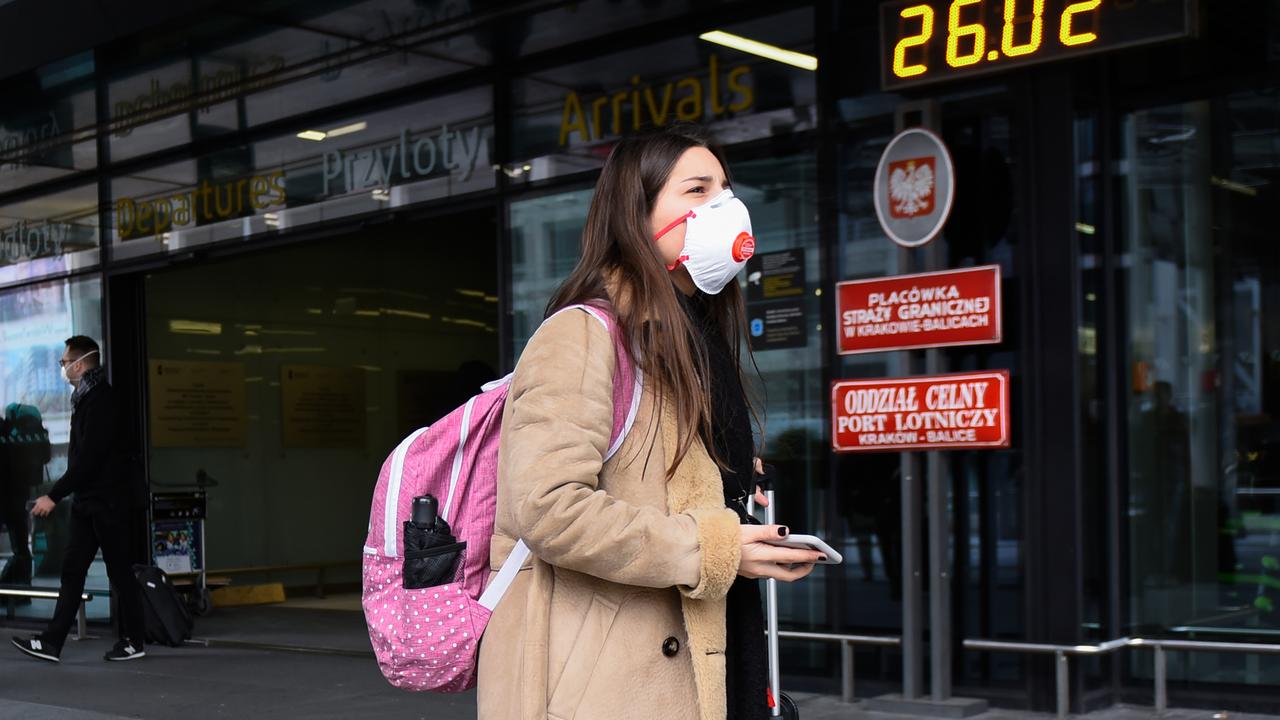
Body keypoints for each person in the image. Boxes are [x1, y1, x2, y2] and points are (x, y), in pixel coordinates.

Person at [477, 125, 822, 720]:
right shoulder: (582, 334)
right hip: (616, 682)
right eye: (697, 189)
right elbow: (546, 508)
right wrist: (715, 548)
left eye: (726, 188)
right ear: (637, 215)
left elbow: (654, 471)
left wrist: (730, 486)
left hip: (715, 645)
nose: (723, 206)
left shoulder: (692, 336)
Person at [11, 336, 147, 663]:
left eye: (64, 362)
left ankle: (134, 640)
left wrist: (53, 495)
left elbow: (89, 459)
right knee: (72, 571)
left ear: (81, 363)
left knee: (119, 571)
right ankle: (52, 642)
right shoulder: (84, 399)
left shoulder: (102, 401)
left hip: (108, 503)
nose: (62, 368)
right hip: (89, 503)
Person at [0, 402, 51, 585]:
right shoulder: (16, 431)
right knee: (20, 545)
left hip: (5, 493)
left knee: (19, 544)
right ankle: (21, 588)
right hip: (19, 492)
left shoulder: (5, 429)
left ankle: (13, 589)